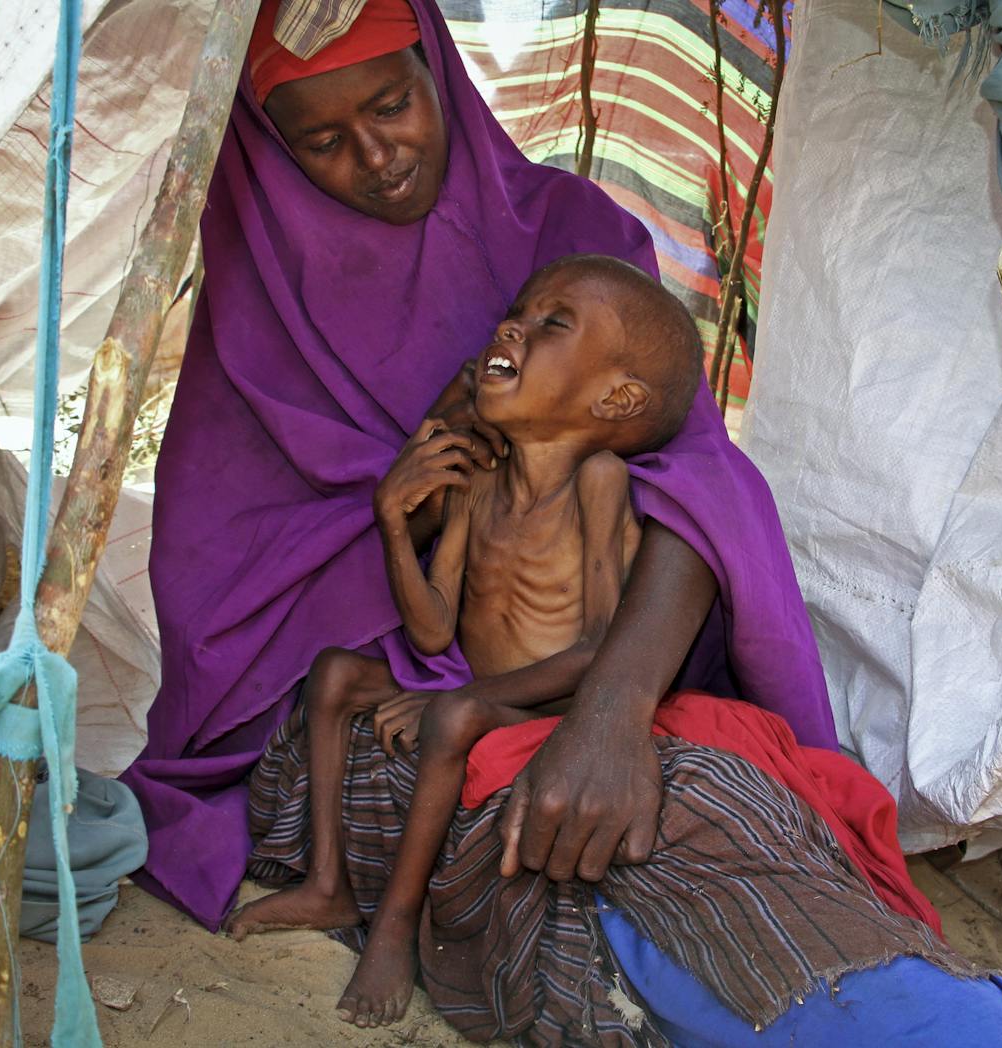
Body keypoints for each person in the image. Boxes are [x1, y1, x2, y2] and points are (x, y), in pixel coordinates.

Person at [122, 0, 1002, 1042]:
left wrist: (611, 711)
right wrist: (407, 521)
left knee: (706, 819)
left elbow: (699, 483)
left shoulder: (565, 247)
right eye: (320, 141)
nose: (376, 154)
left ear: (435, 69)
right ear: (266, 148)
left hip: (600, 674)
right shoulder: (257, 319)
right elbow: (236, 607)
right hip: (390, 704)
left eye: (394, 106)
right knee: (606, 872)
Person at [225, 255, 703, 1025]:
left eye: (554, 323)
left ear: (616, 397)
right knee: (337, 674)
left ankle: (395, 930)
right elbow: (433, 627)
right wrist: (391, 519)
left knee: (448, 718)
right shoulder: (478, 484)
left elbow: (599, 649)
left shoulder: (599, 479)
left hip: (550, 715)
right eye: (518, 311)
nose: (512, 326)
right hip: (475, 695)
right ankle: (326, 881)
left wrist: (464, 697)